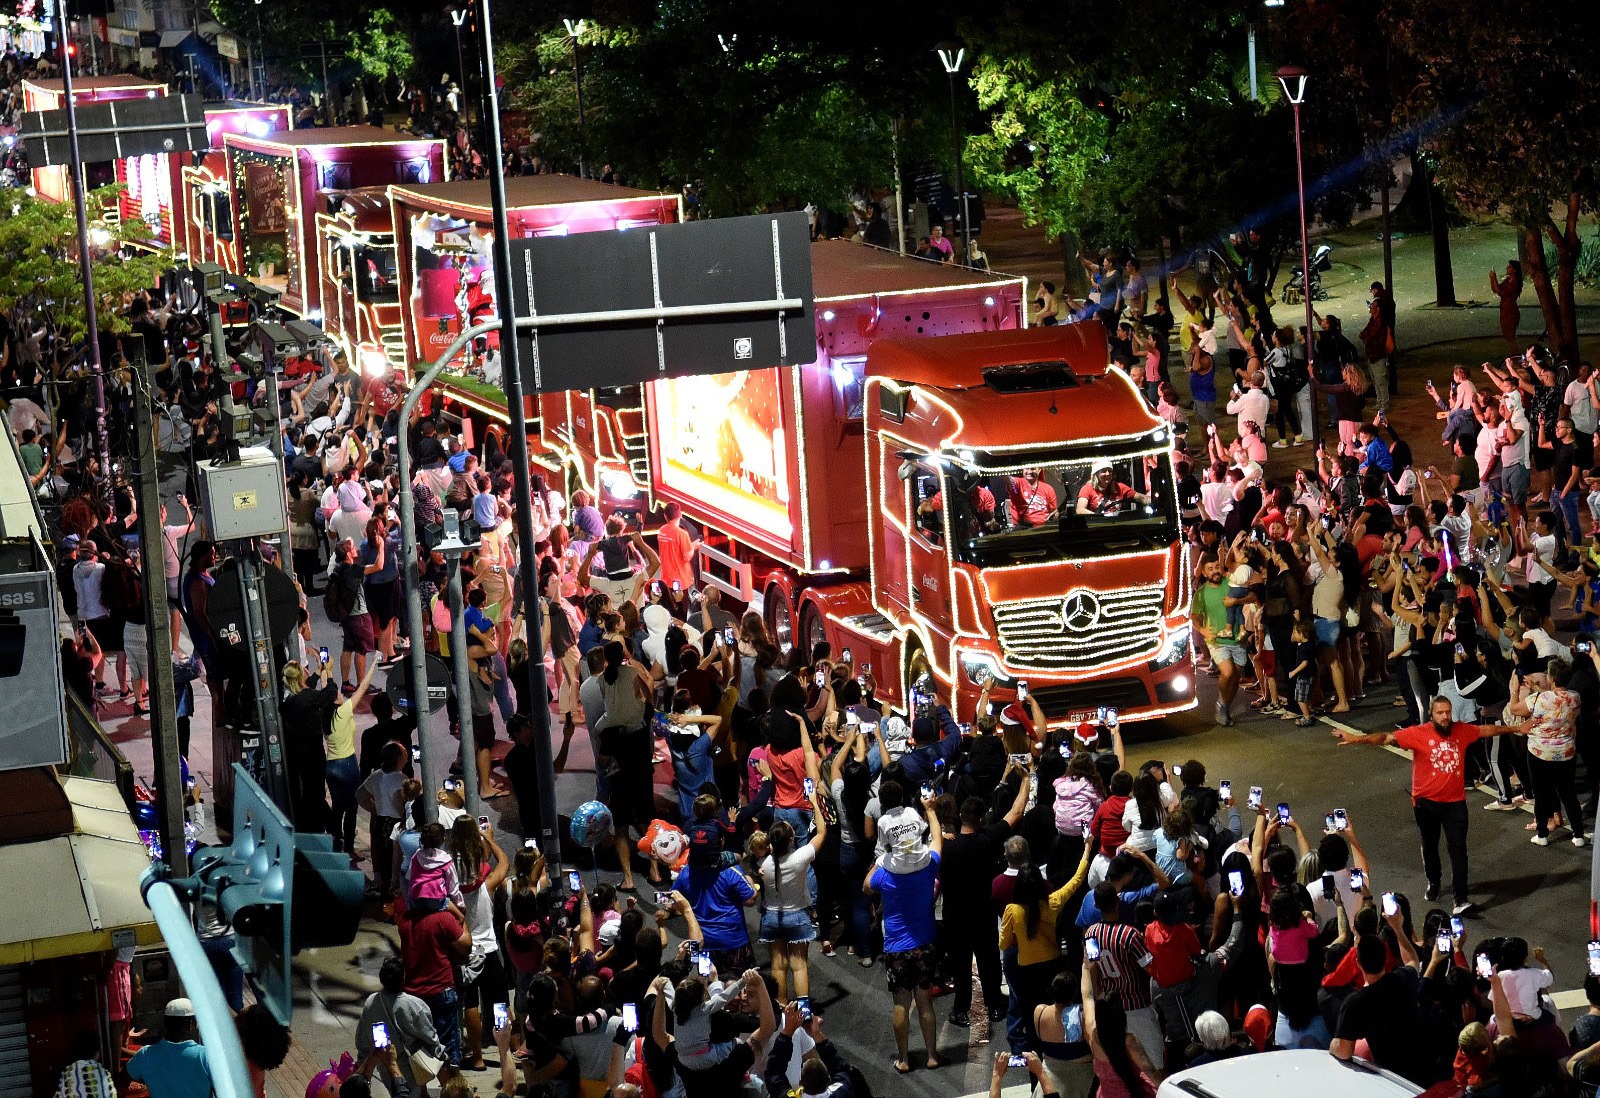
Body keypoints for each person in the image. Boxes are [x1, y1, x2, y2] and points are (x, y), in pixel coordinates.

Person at [1333, 695, 1520, 915]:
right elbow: (1385, 737)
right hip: (1425, 804)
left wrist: (1515, 729)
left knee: (1458, 850)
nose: (1445, 717)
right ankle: (1434, 882)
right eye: (1440, 713)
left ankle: (1461, 899)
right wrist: (1358, 739)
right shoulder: (1417, 733)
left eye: (1448, 712)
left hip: (1455, 804)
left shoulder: (1461, 730)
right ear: (1431, 714)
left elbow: (1486, 731)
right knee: (1430, 846)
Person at [866, 785, 945, 1074]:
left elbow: (866, 886)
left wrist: (882, 857)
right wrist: (931, 810)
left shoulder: (885, 874)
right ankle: (933, 1054)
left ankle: (904, 1058)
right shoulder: (928, 866)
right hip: (925, 941)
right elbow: (937, 840)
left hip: (897, 947)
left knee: (901, 1003)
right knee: (925, 1001)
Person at [355, 956, 447, 1096]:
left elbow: (362, 1039)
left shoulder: (371, 1002)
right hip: (413, 1067)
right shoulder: (414, 1005)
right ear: (402, 979)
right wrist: (442, 1055)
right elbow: (429, 1036)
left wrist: (363, 1065)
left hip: (385, 1066)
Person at [127, 998, 212, 1098]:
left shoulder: (145, 1055)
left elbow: (121, 1082)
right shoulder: (207, 1056)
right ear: (190, 1024)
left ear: (165, 1023)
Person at [1076, 459, 1150, 516]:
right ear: (1096, 474)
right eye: (1104, 471)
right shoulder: (1087, 489)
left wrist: (1154, 501)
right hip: (1097, 526)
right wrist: (1098, 517)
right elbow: (1080, 510)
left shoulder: (1120, 487)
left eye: (1110, 471)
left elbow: (1142, 498)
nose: (1107, 474)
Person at [1491, 260, 1523, 355]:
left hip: (1510, 311)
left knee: (1510, 338)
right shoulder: (1508, 280)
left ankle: (1516, 357)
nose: (1507, 268)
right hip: (1505, 310)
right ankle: (1514, 356)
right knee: (1508, 337)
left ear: (1514, 270)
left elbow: (1501, 293)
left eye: (1509, 267)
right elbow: (1496, 289)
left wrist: (1494, 278)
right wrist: (1492, 279)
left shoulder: (1514, 283)